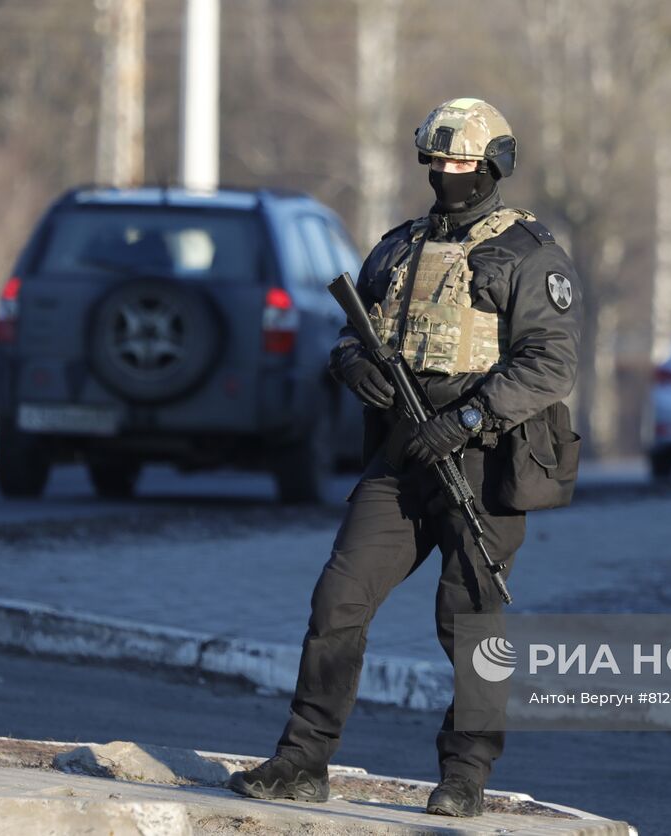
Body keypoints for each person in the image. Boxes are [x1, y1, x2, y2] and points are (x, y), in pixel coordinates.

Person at [228, 98, 582, 817]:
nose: (446, 176)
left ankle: (465, 776)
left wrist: (470, 417)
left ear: (492, 167)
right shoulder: (397, 247)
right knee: (338, 601)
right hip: (400, 453)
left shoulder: (528, 254)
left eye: (461, 164)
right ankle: (302, 760)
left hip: (483, 462)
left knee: (470, 622)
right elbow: (353, 333)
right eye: (437, 162)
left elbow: (551, 364)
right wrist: (351, 365)